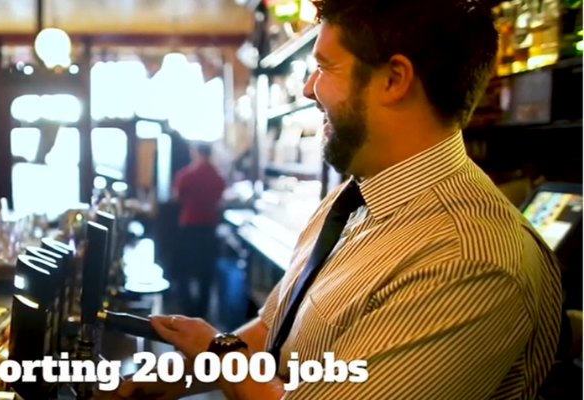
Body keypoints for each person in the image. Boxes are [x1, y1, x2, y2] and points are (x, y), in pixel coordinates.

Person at [106, 1, 563, 399]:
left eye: (324, 67)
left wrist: (219, 353)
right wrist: (174, 377)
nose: (307, 88)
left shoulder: (467, 258)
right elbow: (276, 330)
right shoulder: (350, 200)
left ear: (394, 79)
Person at [171, 142, 226, 319]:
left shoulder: (186, 175)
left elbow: (177, 197)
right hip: (209, 228)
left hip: (189, 227)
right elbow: (220, 199)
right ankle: (202, 314)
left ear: (195, 153)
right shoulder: (217, 176)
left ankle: (186, 311)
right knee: (206, 274)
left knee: (184, 271)